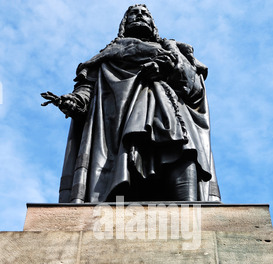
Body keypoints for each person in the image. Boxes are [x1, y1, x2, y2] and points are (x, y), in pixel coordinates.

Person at [41, 4, 221, 203]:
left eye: (145, 13)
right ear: (124, 24)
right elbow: (87, 90)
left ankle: (193, 218)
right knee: (126, 171)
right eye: (134, 13)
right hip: (120, 126)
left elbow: (195, 90)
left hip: (171, 117)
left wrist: (170, 67)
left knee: (183, 156)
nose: (140, 16)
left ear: (153, 24)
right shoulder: (109, 55)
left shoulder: (172, 50)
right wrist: (73, 102)